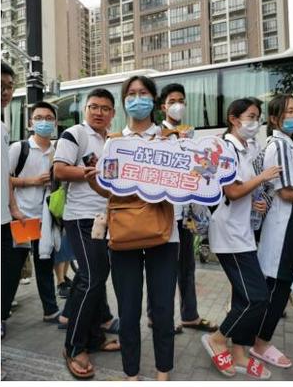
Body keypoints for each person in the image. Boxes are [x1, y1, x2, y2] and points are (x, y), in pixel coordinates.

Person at [85, 76, 178, 381]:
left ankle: (163, 371)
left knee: (163, 309)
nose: (137, 98)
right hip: (123, 233)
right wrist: (93, 181)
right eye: (131, 94)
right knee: (127, 310)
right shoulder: (113, 141)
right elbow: (112, 191)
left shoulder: (170, 137)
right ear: (124, 101)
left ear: (154, 99)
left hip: (164, 233)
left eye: (143, 93)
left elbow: (182, 184)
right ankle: (131, 373)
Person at [202, 97, 280, 379]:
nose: (255, 122)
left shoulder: (247, 148)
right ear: (233, 119)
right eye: (250, 116)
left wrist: (256, 201)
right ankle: (217, 339)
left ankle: (239, 353)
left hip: (243, 231)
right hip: (228, 233)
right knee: (256, 298)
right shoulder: (224, 149)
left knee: (242, 297)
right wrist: (263, 178)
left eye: (257, 116)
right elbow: (232, 191)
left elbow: (244, 192)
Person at [54, 88, 120, 379]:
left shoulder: (114, 141)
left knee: (92, 278)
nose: (99, 112)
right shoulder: (75, 134)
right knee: (92, 278)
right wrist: (93, 173)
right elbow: (59, 170)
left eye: (105, 108)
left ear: (112, 114)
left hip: (106, 218)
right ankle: (73, 346)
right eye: (94, 106)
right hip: (80, 217)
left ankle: (93, 338)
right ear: (85, 109)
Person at [147, 82, 218, 334]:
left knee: (187, 267)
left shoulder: (190, 134)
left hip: (186, 213)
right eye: (173, 100)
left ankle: (190, 315)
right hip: (165, 212)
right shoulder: (155, 134)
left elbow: (197, 168)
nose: (178, 105)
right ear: (163, 106)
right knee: (162, 270)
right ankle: (157, 317)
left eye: (182, 101)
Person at [251, 94, 293, 369]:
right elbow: (287, 193)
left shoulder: (284, 145)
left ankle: (258, 338)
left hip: (289, 222)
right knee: (279, 284)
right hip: (285, 223)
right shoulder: (280, 146)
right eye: (289, 111)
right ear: (275, 118)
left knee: (280, 283)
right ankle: (261, 343)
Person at [9, 101, 61, 324]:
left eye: (49, 118)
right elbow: (4, 179)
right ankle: (1, 313)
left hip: (46, 218)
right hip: (22, 218)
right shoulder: (19, 149)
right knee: (13, 267)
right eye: (39, 118)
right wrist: (32, 181)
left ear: (56, 123)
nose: (44, 122)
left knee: (45, 264)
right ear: (31, 123)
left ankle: (50, 310)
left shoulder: (57, 151)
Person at [1, 62, 30, 339]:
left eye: (9, 86)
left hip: (3, 219)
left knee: (11, 266)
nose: (5, 91)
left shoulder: (1, 127)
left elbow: (5, 175)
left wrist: (14, 208)